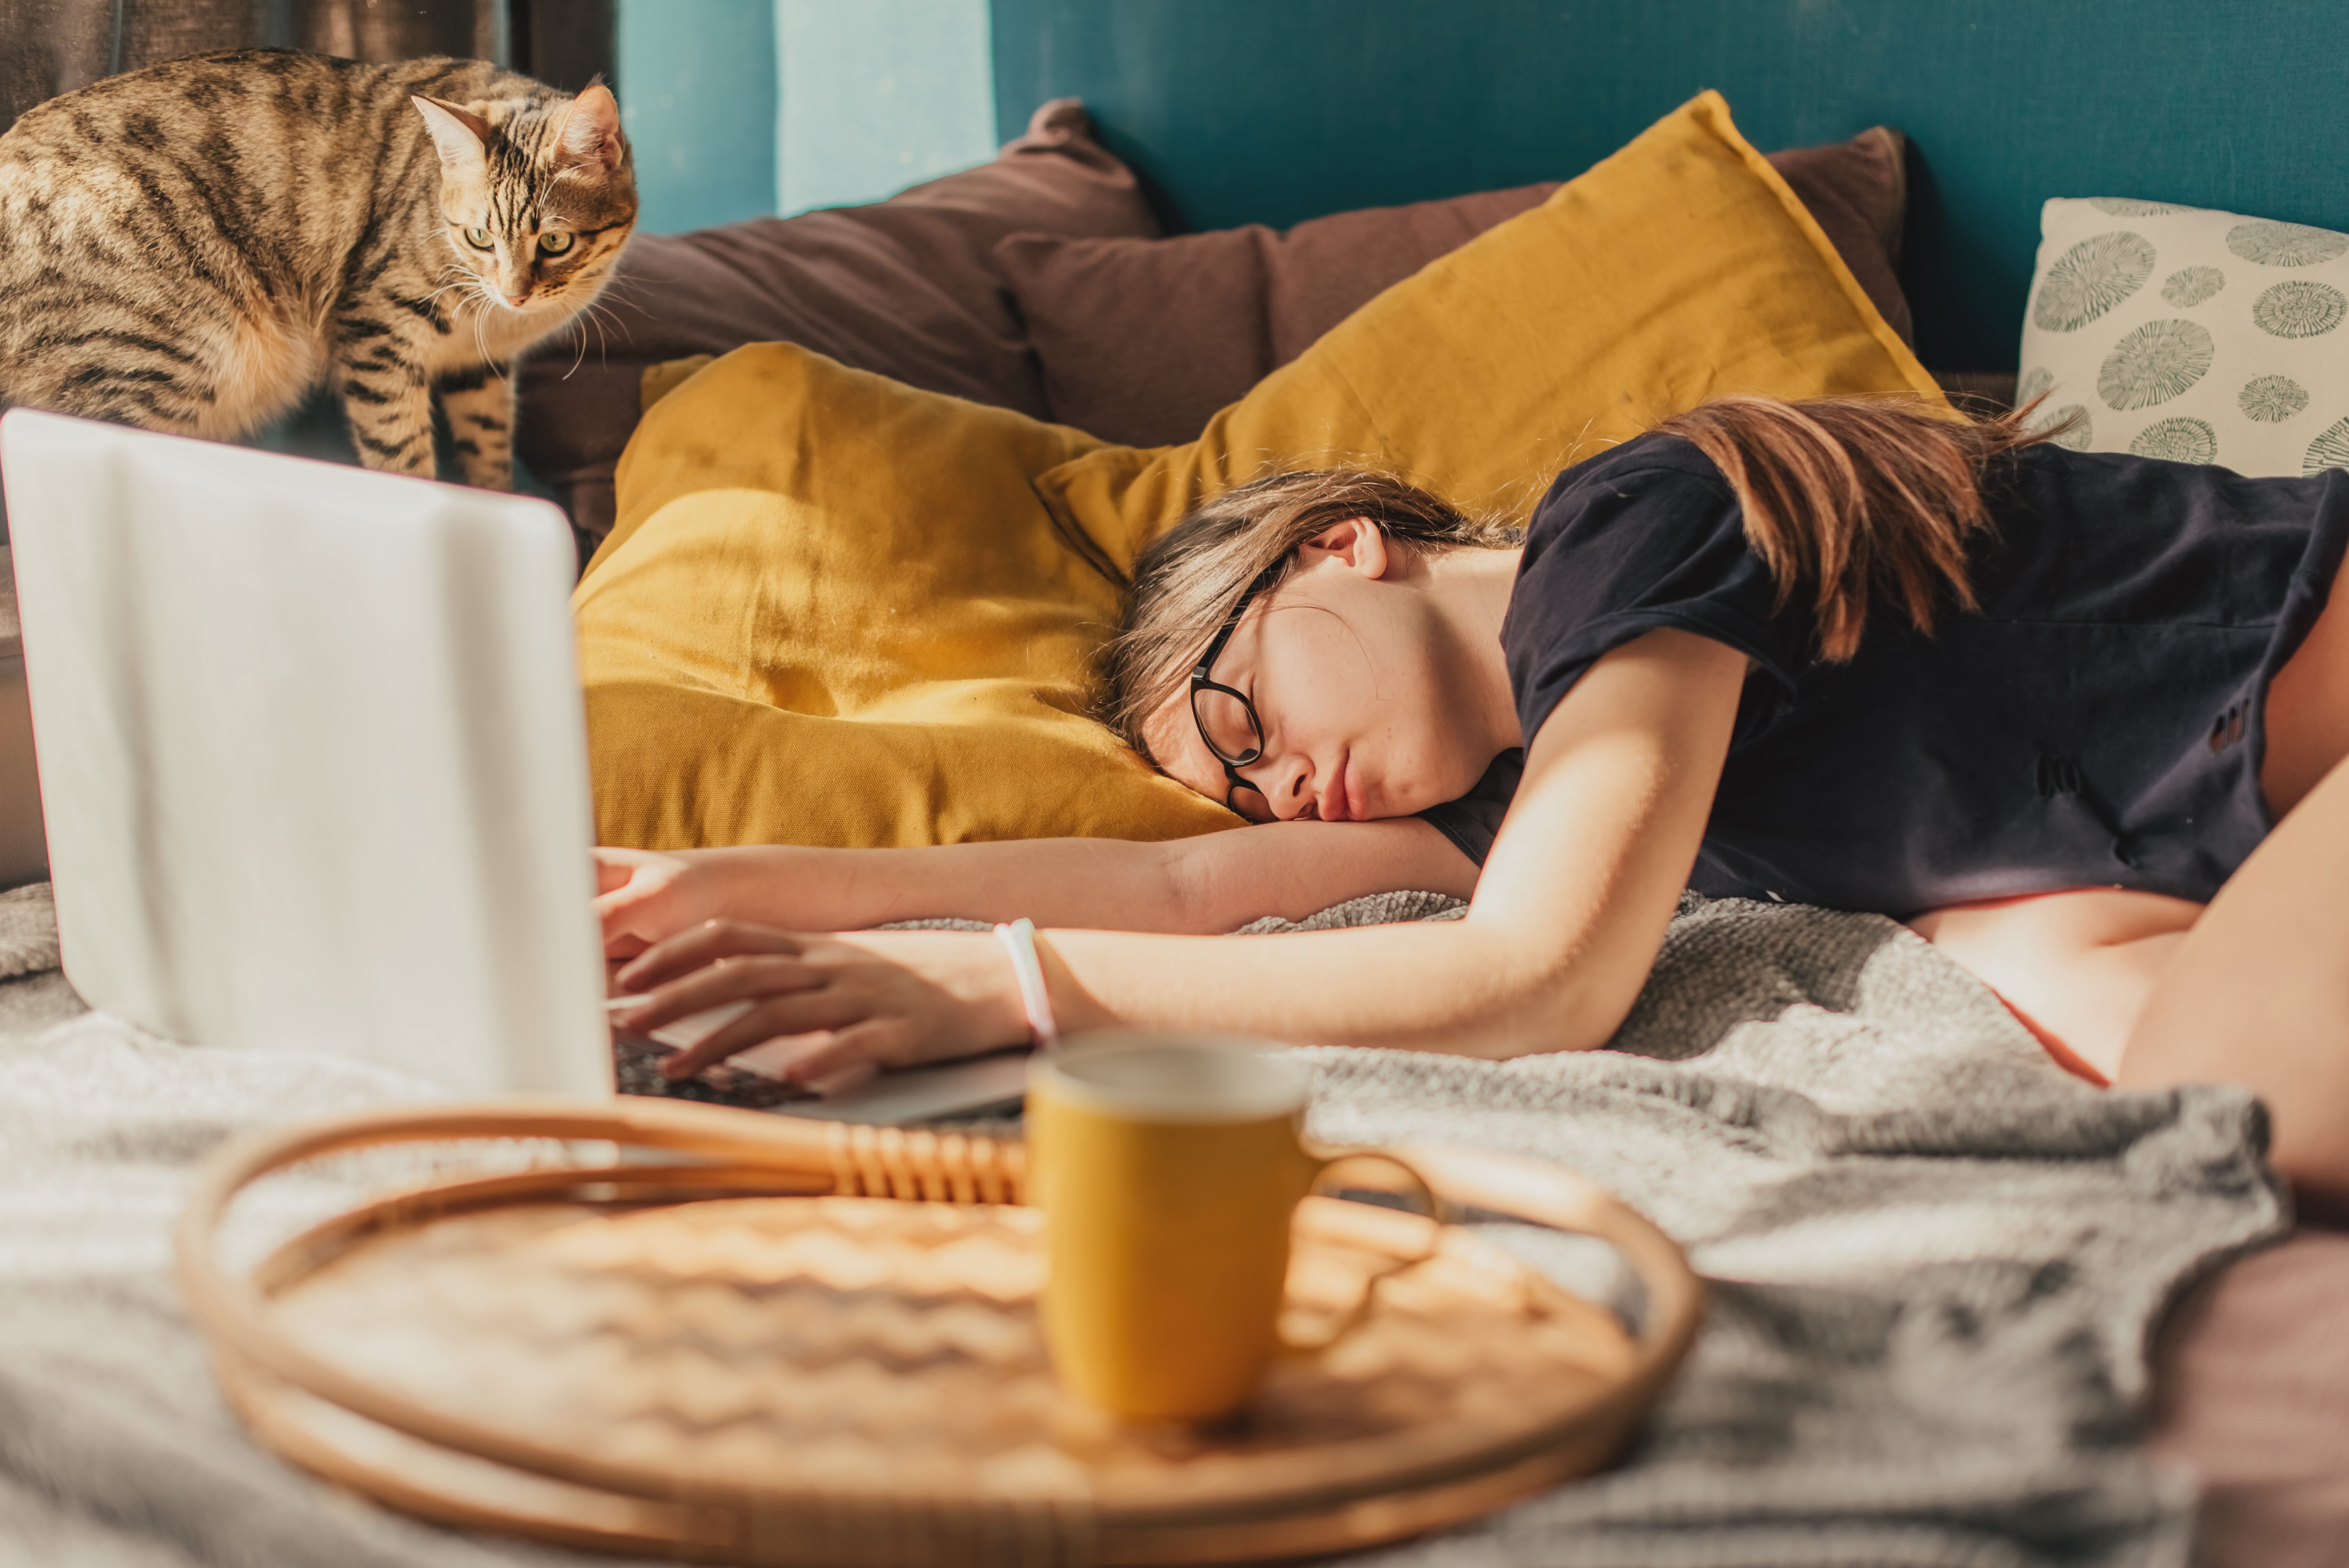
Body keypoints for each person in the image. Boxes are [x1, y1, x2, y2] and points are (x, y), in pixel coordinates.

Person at [596, 394, 2349, 1212]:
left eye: (1243, 709)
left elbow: (1542, 975)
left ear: (1338, 549)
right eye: (1239, 782)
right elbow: (1207, 898)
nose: (1275, 784)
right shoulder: (1530, 794)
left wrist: (1004, 985)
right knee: (2212, 1110)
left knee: (2235, 1079)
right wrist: (726, 885)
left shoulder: (1631, 519)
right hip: (2219, 846)